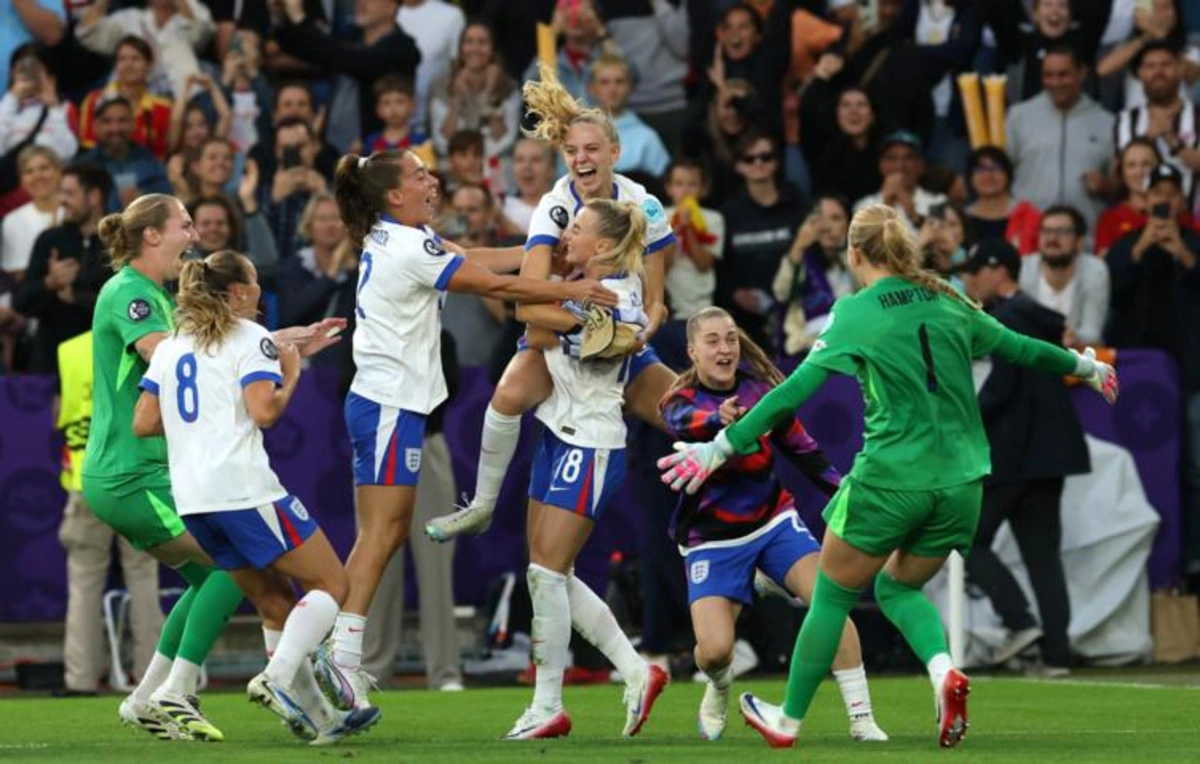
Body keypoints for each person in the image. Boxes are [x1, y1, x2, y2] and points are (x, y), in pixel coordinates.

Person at [657, 203, 1118, 750]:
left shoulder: (856, 311)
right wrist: (1086, 367)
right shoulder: (948, 299)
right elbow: (1020, 348)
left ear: (854, 254)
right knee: (898, 586)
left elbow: (790, 393)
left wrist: (720, 447)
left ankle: (788, 719)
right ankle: (943, 670)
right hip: (963, 484)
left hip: (892, 479)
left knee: (831, 597)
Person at [311, 147, 620, 712]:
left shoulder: (400, 237)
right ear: (394, 195)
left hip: (390, 405)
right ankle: (340, 658)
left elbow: (473, 257)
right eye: (419, 175)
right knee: (380, 534)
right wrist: (569, 289)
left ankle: (340, 658)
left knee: (384, 533)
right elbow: (493, 287)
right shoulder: (408, 245)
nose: (432, 181)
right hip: (388, 405)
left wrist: (536, 252)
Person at [84, 194, 343, 742]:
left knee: (218, 578)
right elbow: (188, 358)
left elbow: (196, 356)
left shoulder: (154, 295)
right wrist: (270, 348)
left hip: (150, 470)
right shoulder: (131, 293)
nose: (194, 237)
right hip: (133, 473)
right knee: (235, 566)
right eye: (184, 225)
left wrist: (270, 342)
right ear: (151, 235)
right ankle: (177, 691)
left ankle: (146, 698)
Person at [424, 63, 678, 543]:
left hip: (622, 344)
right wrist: (584, 322)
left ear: (615, 153)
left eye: (592, 149)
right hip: (562, 333)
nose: (581, 159)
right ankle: (481, 505)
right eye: (571, 151)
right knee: (507, 395)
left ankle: (753, 525)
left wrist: (635, 333)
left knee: (689, 418)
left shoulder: (642, 203)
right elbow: (529, 304)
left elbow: (656, 300)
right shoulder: (556, 206)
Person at [133, 249, 378, 744]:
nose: (261, 291)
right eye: (255, 282)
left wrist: (200, 427)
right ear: (241, 292)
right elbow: (264, 412)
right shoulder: (251, 337)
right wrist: (291, 371)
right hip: (243, 490)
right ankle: (276, 677)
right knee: (332, 583)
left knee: (274, 602)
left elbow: (144, 421)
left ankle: (322, 722)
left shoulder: (173, 346)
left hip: (194, 500)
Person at [659, 306, 886, 743]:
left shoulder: (762, 391)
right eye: (712, 341)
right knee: (715, 651)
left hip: (773, 523)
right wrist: (719, 419)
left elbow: (805, 451)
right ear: (692, 352)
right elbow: (681, 423)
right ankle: (719, 685)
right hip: (712, 540)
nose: (725, 349)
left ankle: (862, 719)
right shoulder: (678, 401)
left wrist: (847, 498)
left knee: (829, 601)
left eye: (730, 338)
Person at [503, 199, 668, 740]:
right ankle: (638, 671)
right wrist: (553, 293)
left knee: (547, 575)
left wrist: (542, 295)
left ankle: (548, 704)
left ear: (602, 246)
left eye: (576, 229)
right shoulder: (583, 287)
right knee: (550, 573)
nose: (565, 235)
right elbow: (531, 312)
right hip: (556, 431)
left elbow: (532, 322)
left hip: (590, 441)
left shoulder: (618, 298)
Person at [959, 240, 1089, 676]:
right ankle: (1057, 655)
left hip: (1014, 454)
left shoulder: (1007, 320)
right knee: (1043, 557)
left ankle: (1019, 621)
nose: (971, 280)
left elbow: (1001, 389)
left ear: (999, 270)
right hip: (1049, 454)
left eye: (976, 270)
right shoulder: (1039, 316)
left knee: (967, 540)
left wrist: (960, 417)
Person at [56, 330, 161, 697]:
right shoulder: (150, 340)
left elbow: (59, 412)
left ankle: (80, 680)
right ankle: (153, 679)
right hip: (137, 477)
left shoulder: (68, 350)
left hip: (85, 480)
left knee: (84, 582)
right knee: (144, 576)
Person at [14, 162, 112, 376]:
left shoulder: (119, 244)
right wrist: (50, 282)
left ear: (94, 196)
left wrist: (76, 296)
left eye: (69, 194)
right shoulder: (49, 240)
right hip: (50, 364)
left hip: (103, 364)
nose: (62, 200)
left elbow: (123, 307)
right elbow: (20, 302)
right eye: (61, 193)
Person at [1007, 45, 1114, 232]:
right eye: (1048, 75)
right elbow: (1002, 174)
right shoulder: (1018, 117)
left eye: (1063, 74)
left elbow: (1120, 185)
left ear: (1082, 73)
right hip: (1030, 234)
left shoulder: (1106, 121)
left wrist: (1105, 186)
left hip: (1085, 235)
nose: (1055, 83)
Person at [1018, 205, 1110, 346]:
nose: (1052, 238)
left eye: (1063, 232)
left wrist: (1072, 338)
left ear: (1079, 241)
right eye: (1046, 231)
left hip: (1077, 354)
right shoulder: (1024, 268)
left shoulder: (1095, 270)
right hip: (1031, 353)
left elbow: (1092, 332)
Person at [963, 147, 1042, 256]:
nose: (988, 175)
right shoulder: (961, 218)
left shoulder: (1027, 214)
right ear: (970, 178)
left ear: (1008, 174)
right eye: (980, 169)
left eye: (995, 168)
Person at [1095, 138, 1164, 257]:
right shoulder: (1110, 219)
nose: (1139, 172)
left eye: (1146, 164)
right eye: (1131, 165)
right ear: (1122, 173)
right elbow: (1103, 264)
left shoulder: (1175, 213)